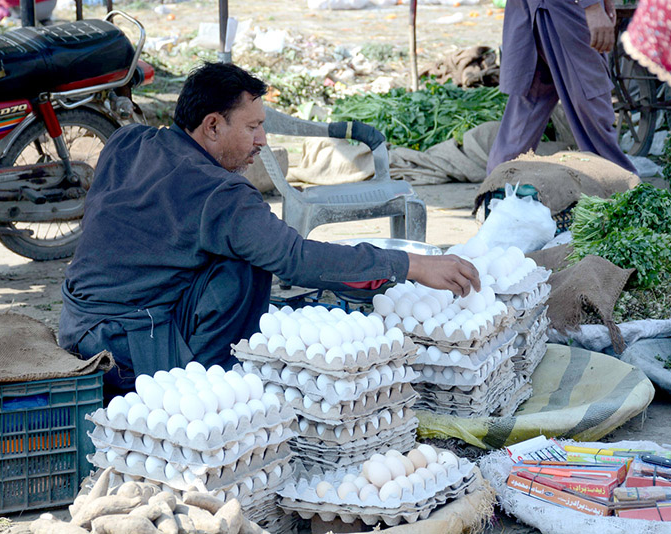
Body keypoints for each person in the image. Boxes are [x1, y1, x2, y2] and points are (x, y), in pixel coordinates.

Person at [59, 62, 480, 398]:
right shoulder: (222, 194)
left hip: (76, 327)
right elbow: (297, 260)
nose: (262, 140)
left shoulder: (127, 141)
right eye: (252, 127)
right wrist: (410, 264)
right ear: (211, 126)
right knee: (247, 267)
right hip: (128, 350)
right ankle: (207, 386)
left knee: (226, 256)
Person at [486, 0, 637, 175]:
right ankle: (621, 188)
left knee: (529, 106)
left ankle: (496, 190)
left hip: (543, 8)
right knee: (591, 106)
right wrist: (593, 6)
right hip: (562, 7)